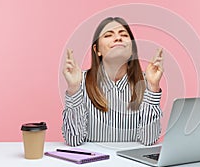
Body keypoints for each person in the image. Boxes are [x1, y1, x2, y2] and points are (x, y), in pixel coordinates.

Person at [62, 17, 164, 146]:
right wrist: (73, 89)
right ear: (97, 50)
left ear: (132, 49)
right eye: (108, 35)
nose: (118, 38)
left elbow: (149, 140)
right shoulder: (80, 81)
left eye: (123, 34)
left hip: (132, 165)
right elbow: (73, 140)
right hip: (92, 165)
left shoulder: (146, 83)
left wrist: (153, 87)